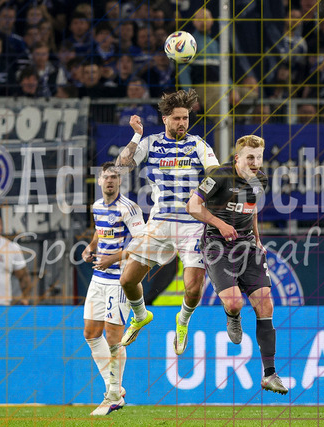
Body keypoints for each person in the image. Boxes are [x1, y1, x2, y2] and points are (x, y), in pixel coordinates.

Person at [115, 89, 220, 355]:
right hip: (159, 223)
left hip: (192, 224)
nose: (182, 123)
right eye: (176, 118)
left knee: (193, 289)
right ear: (165, 119)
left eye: (185, 118)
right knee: (127, 280)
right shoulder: (150, 143)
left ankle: (182, 320)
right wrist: (136, 136)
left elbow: (216, 175)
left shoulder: (198, 144)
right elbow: (121, 167)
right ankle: (141, 315)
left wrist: (201, 194)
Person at [185, 134, 288, 395]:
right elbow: (192, 205)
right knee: (234, 303)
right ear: (237, 158)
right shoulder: (219, 176)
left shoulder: (260, 179)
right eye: (250, 157)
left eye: (259, 157)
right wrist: (220, 224)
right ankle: (233, 316)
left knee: (266, 304)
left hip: (247, 246)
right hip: (217, 245)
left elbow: (251, 210)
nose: (255, 163)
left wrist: (258, 240)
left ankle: (270, 374)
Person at [81, 162, 145, 416]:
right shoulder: (97, 206)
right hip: (98, 278)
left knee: (113, 338)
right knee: (90, 333)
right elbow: (99, 232)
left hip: (119, 279)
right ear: (99, 181)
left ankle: (113, 395)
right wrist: (91, 247)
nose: (110, 181)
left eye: (114, 178)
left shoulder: (129, 208)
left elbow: (142, 241)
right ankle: (114, 388)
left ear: (120, 182)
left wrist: (114, 258)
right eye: (106, 177)